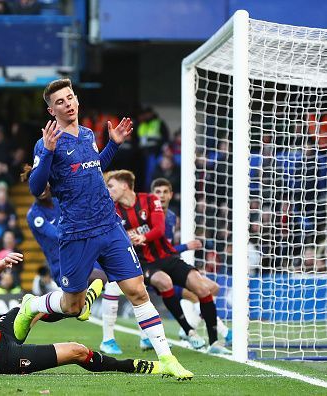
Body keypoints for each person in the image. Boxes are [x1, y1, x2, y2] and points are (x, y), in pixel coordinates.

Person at [19, 78, 191, 379]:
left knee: (137, 290)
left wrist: (114, 145)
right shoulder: (46, 143)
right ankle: (34, 304)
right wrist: (46, 152)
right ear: (51, 111)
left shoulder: (87, 134)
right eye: (60, 102)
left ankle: (167, 358)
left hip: (109, 226)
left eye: (70, 98)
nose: (68, 104)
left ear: (77, 100)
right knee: (73, 305)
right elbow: (35, 187)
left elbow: (94, 166)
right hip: (76, 232)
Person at [0, 231, 163, 377]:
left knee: (29, 309)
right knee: (77, 351)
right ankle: (129, 366)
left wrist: (0, 264)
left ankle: (81, 305)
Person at [106, 170, 230, 354]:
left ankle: (214, 343)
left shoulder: (150, 200)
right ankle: (189, 331)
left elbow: (159, 228)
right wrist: (126, 238)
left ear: (124, 186)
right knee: (164, 282)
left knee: (203, 288)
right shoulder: (113, 210)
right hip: (143, 263)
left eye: (110, 186)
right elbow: (113, 235)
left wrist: (142, 237)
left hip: (167, 257)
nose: (108, 190)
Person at [24, 177, 122, 354]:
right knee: (72, 307)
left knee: (104, 280)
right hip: (61, 263)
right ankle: (33, 310)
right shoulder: (34, 215)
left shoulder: (58, 201)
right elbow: (55, 235)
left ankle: (34, 310)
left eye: (44, 183)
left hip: (82, 254)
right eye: (37, 187)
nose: (43, 189)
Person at [150, 177, 232, 347]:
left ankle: (188, 329)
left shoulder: (172, 217)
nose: (162, 196)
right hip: (155, 269)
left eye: (165, 192)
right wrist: (185, 246)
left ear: (171, 195)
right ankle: (224, 332)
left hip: (171, 264)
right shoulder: (149, 217)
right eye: (158, 192)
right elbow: (157, 250)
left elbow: (167, 247)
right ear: (152, 195)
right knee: (196, 293)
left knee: (213, 288)